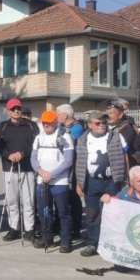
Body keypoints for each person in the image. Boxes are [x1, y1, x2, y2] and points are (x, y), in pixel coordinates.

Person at [75, 112, 128, 256]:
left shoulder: (116, 136)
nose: (102, 125)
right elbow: (79, 161)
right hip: (91, 181)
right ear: (90, 125)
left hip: (112, 181)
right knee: (92, 214)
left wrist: (126, 179)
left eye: (104, 122)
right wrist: (79, 182)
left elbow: (125, 157)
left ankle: (111, 244)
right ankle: (93, 243)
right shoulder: (83, 139)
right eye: (98, 123)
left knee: (112, 214)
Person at [0, 98, 37, 241]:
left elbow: (34, 144)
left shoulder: (31, 125)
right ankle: (14, 228)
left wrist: (22, 154)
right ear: (8, 111)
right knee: (12, 200)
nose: (16, 111)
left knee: (28, 200)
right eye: (13, 109)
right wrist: (8, 155)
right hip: (9, 167)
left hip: (27, 167)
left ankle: (29, 229)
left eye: (18, 108)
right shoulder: (3, 126)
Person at [31, 110, 75, 252]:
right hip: (42, 180)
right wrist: (41, 171)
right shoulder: (38, 138)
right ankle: (47, 238)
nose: (46, 125)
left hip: (60, 182)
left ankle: (66, 241)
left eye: (49, 123)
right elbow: (33, 158)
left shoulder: (65, 137)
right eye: (44, 123)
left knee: (63, 213)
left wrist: (52, 174)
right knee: (44, 212)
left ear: (55, 123)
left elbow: (68, 161)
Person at [56, 103, 84, 242]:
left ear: (65, 115)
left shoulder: (77, 128)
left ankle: (75, 229)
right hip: (63, 166)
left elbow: (68, 144)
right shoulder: (61, 127)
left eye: (58, 114)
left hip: (74, 167)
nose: (56, 117)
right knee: (63, 198)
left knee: (74, 198)